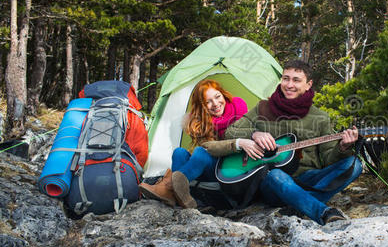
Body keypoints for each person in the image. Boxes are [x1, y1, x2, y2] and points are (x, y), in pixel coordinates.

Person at [224, 60, 362, 225]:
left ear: (308, 84)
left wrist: (343, 147)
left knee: (354, 164)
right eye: (285, 78)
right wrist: (254, 134)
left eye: (296, 80)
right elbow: (230, 132)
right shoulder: (262, 108)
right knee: (276, 176)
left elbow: (328, 159)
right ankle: (322, 212)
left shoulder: (320, 117)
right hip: (272, 182)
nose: (289, 85)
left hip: (308, 179)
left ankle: (299, 204)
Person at [140, 79, 263, 208]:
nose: (215, 104)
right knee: (179, 153)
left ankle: (169, 187)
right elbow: (210, 148)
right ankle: (178, 195)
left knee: (200, 152)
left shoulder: (239, 109)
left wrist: (239, 143)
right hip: (209, 169)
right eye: (208, 102)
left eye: (217, 97)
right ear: (202, 106)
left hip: (229, 170)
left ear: (223, 94)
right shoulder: (201, 122)